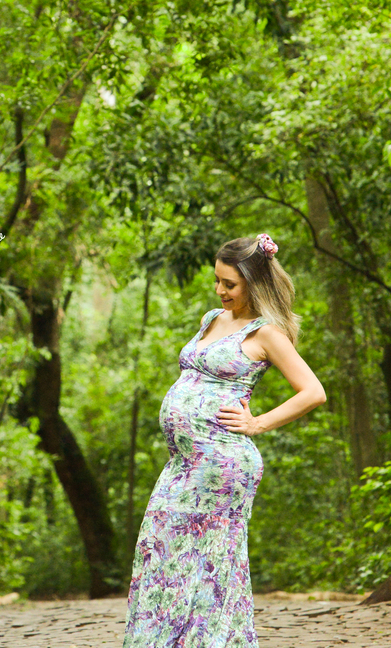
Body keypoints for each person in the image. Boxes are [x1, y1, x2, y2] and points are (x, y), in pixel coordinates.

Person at [121, 233, 328, 648]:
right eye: (217, 280)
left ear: (255, 282)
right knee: (158, 548)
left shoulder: (267, 333)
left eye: (229, 284)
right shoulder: (212, 318)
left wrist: (258, 423)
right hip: (183, 463)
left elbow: (313, 391)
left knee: (210, 565)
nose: (220, 290)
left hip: (222, 465)